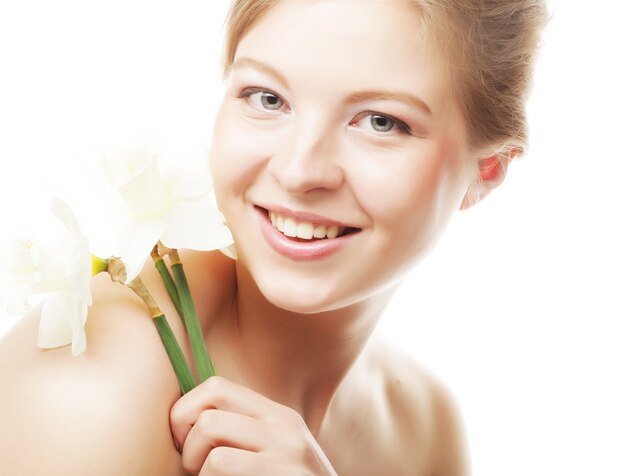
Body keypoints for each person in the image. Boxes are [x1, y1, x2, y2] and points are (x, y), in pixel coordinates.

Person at [0, 0, 547, 474]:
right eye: (266, 98)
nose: (299, 170)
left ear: (488, 169)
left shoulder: (426, 426)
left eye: (381, 121)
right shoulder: (90, 390)